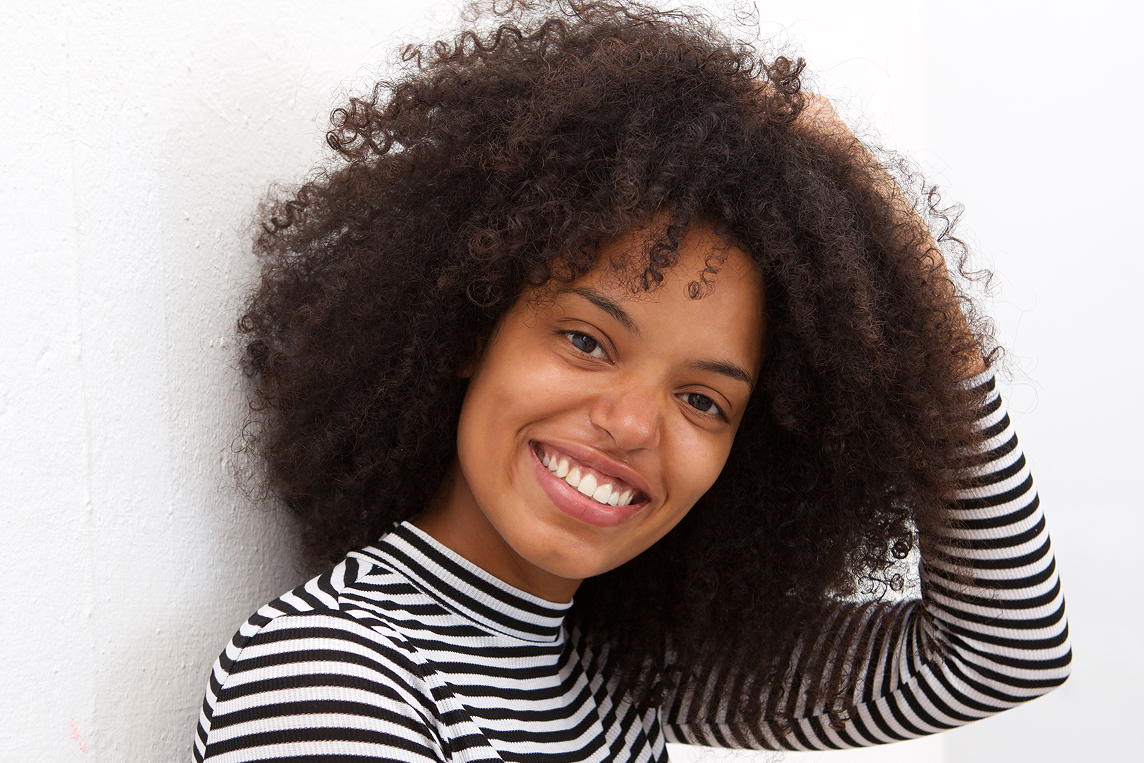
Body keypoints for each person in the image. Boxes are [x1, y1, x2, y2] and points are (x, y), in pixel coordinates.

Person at [192, 2, 1071, 760]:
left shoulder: (616, 666)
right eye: (586, 339)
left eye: (703, 400)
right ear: (471, 323)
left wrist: (908, 293)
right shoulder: (330, 681)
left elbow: (1004, 647)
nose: (631, 423)